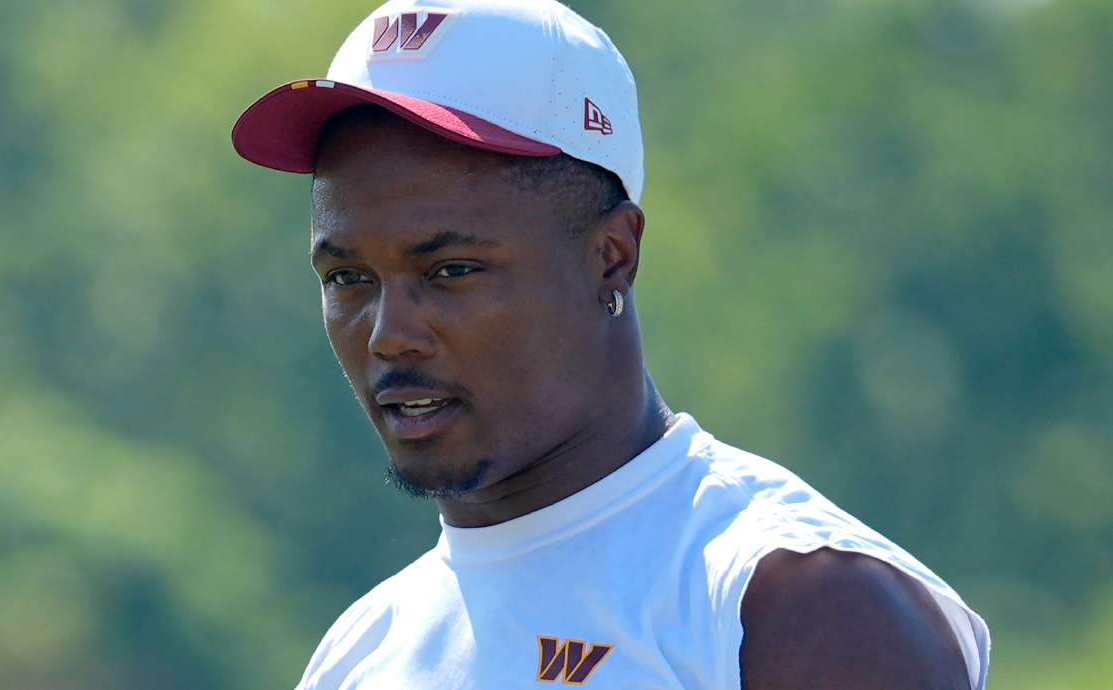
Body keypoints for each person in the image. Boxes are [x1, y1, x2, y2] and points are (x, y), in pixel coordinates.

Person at [232, 0, 992, 687]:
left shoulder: (793, 604)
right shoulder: (358, 656)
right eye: (348, 277)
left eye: (450, 269)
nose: (390, 332)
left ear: (612, 256)